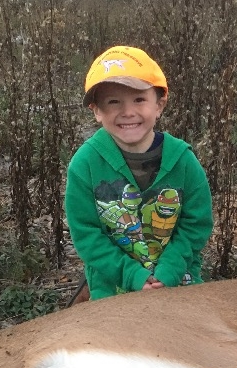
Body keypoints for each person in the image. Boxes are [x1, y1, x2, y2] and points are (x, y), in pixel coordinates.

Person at [65, 45, 214, 300]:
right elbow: (87, 235)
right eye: (114, 102)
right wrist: (133, 276)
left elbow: (196, 225)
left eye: (139, 99)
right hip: (113, 289)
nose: (128, 112)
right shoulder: (84, 165)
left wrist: (170, 271)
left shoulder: (184, 161)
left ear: (159, 104)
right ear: (97, 111)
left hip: (179, 282)